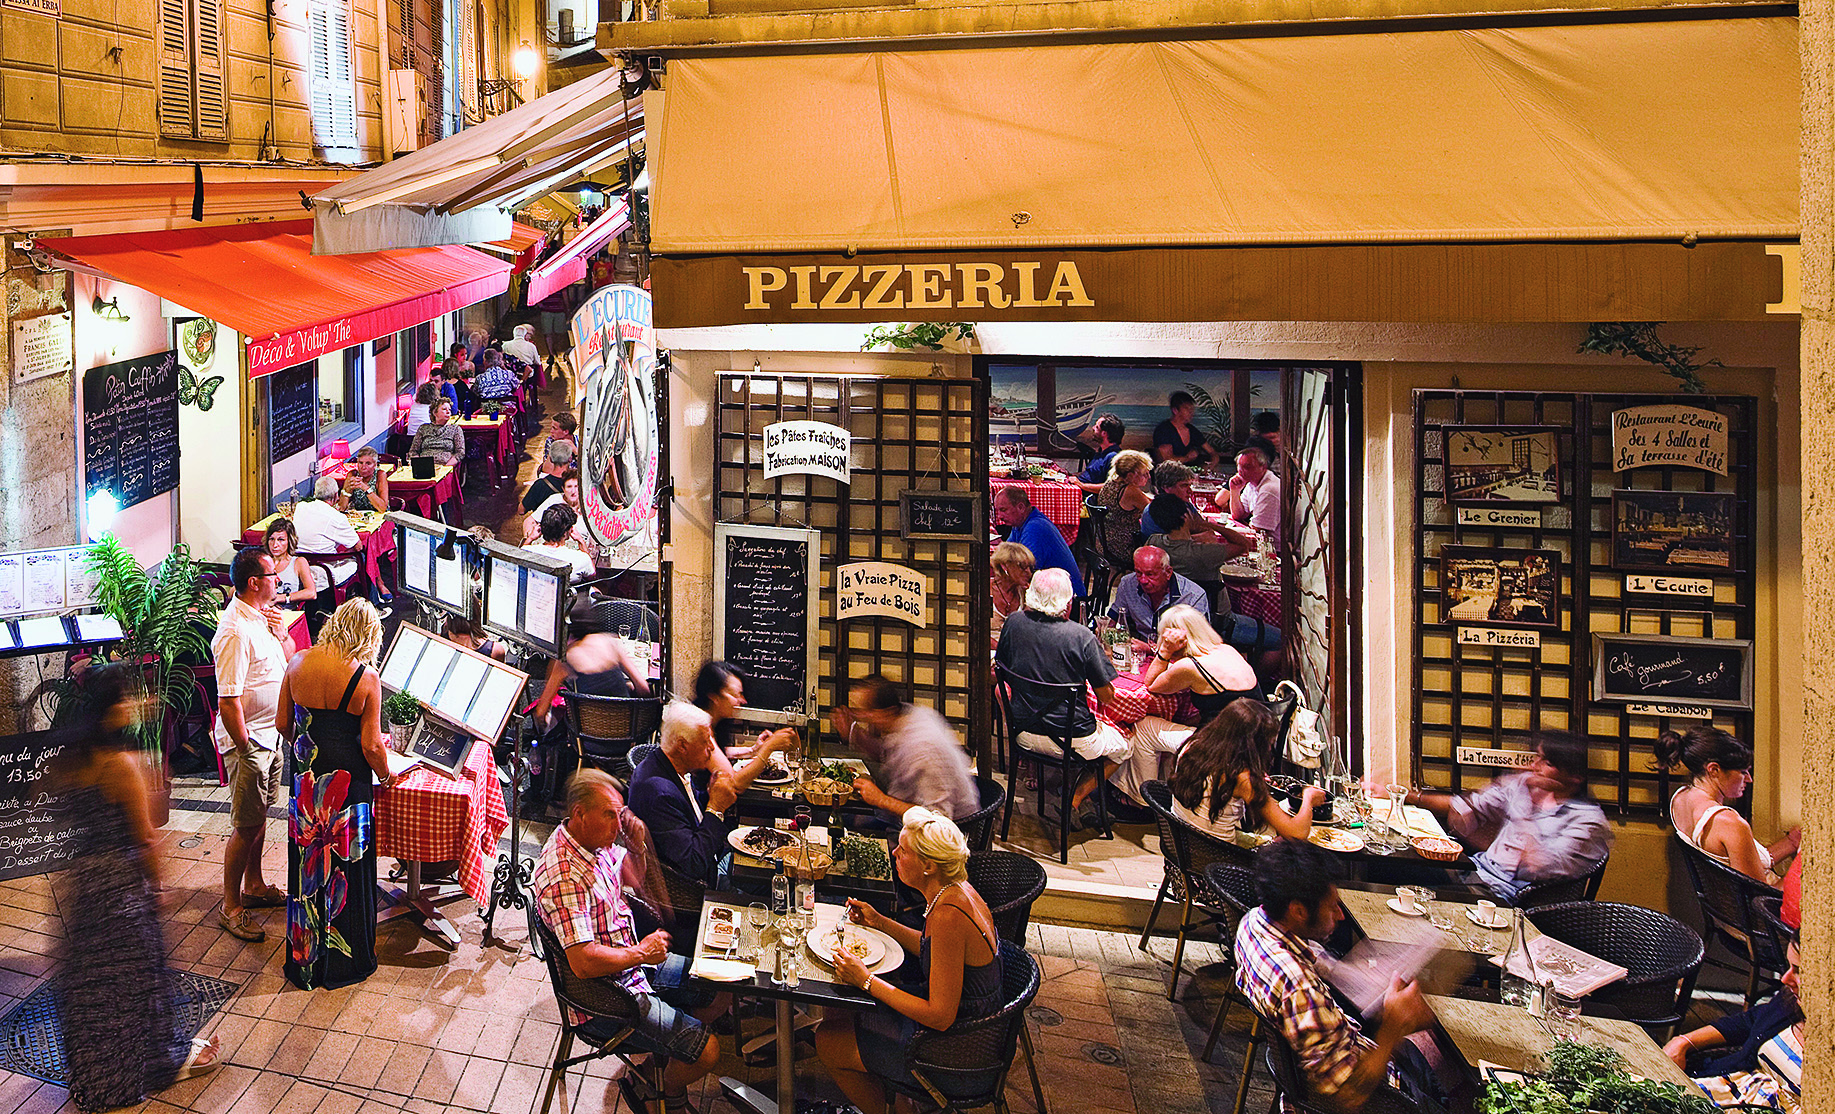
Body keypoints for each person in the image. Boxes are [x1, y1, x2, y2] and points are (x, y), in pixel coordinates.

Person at [52, 663, 222, 1108]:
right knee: (137, 981)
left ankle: (100, 1072)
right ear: (110, 710)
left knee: (95, 987)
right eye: (127, 699)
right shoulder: (122, 766)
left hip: (85, 890)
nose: (137, 706)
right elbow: (146, 838)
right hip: (121, 893)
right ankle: (157, 1062)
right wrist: (160, 887)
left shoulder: (73, 760)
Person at [531, 771, 723, 1113]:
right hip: (604, 999)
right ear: (579, 814)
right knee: (708, 1051)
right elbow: (584, 962)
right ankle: (662, 1096)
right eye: (609, 814)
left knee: (721, 983)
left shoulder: (592, 843)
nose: (617, 824)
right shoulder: (565, 875)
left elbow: (632, 875)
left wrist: (637, 846)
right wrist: (641, 953)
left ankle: (649, 1073)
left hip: (632, 967)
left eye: (619, 813)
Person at [816, 808, 1005, 1114]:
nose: (894, 852)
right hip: (967, 1024)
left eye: (903, 850)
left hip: (959, 1047)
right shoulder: (956, 890)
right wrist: (879, 922)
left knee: (827, 1041)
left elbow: (940, 1016)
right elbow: (934, 950)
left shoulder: (948, 916)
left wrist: (866, 980)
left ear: (928, 865)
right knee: (839, 1006)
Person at [1236, 839, 1438, 1112]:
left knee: (1427, 1056)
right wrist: (1394, 1025)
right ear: (1297, 910)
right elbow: (1348, 1095)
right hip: (1377, 1098)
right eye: (1332, 907)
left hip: (1341, 1047)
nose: (1340, 915)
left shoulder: (1252, 922)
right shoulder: (1301, 990)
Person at [276, 600, 400, 989]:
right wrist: (388, 773)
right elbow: (370, 745)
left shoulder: (297, 663)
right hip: (349, 788)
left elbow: (283, 724)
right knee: (347, 869)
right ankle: (348, 961)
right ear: (368, 636)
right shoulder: (365, 679)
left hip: (308, 785)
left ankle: (305, 959)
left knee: (306, 867)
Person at [1403, 733, 1613, 902]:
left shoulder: (1588, 821)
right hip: (1474, 871)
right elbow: (1467, 806)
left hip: (1504, 896)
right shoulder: (1525, 785)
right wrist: (1407, 796)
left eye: (1547, 762)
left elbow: (1538, 866)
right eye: (1537, 757)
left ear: (1574, 777)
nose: (1534, 766)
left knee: (1406, 896)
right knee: (1384, 868)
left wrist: (1525, 810)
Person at [993, 568, 1129, 818]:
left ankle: (1067, 789)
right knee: (1125, 746)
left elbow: (1003, 668)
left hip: (1022, 733)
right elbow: (1107, 697)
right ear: (1067, 604)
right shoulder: (1081, 636)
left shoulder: (1013, 623)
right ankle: (1074, 799)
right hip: (1073, 738)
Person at [212, 547, 291, 941]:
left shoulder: (260, 618)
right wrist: (244, 748)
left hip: (268, 734)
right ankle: (230, 906)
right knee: (245, 824)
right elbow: (228, 700)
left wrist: (281, 631)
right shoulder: (233, 631)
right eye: (272, 575)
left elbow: (286, 661)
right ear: (253, 582)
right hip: (251, 741)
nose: (278, 580)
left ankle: (255, 885)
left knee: (259, 817)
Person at [628, 702, 791, 885]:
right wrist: (716, 807)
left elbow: (688, 812)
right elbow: (694, 864)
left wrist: (709, 794)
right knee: (784, 881)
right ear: (682, 746)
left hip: (710, 858)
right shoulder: (659, 794)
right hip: (699, 888)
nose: (712, 749)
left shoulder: (665, 764)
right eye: (705, 741)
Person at [1668, 937, 1801, 1109]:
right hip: (1726, 1090)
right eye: (1789, 966)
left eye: (1799, 971)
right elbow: (1750, 1021)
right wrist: (1683, 1042)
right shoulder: (1791, 1001)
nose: (1785, 979)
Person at [1169, 699, 1325, 843]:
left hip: (1185, 844)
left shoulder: (1193, 745)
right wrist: (1308, 798)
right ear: (1252, 745)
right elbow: (1296, 834)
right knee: (1295, 844)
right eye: (1267, 743)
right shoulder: (1240, 777)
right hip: (1218, 858)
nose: (1269, 749)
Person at [1658, 726, 1800, 883]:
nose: (1748, 779)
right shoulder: (1729, 823)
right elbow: (1759, 896)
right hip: (1767, 903)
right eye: (1743, 772)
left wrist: (1791, 843)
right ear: (1714, 770)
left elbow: (1740, 860)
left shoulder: (1680, 799)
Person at [830, 674, 978, 821]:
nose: (860, 717)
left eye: (864, 712)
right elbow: (885, 752)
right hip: (905, 813)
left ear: (887, 712)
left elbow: (938, 819)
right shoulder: (904, 718)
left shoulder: (923, 748)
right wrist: (853, 734)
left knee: (837, 819)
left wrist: (881, 799)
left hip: (944, 832)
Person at [535, 600, 653, 732]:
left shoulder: (566, 658)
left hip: (587, 741)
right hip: (628, 736)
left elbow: (541, 712)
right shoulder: (611, 642)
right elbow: (643, 688)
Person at [691, 660, 800, 761]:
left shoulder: (714, 723)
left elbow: (720, 753)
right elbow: (732, 781)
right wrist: (768, 748)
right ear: (714, 696)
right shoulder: (700, 730)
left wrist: (754, 750)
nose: (743, 701)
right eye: (736, 694)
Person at [1108, 545, 1211, 647]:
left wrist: (1151, 649)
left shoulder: (1194, 596)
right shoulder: (1128, 584)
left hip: (1178, 658)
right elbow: (1113, 621)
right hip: (1139, 654)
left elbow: (1199, 644)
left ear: (1168, 572)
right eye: (1138, 573)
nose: (1143, 580)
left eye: (1150, 574)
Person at [993, 485, 1085, 598]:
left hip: (1066, 600)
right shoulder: (1019, 524)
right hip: (1052, 593)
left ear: (1021, 507)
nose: (1000, 516)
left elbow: (1024, 572)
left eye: (1003, 510)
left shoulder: (1035, 528)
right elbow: (1004, 554)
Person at [291, 476, 361, 592]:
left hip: (299, 565)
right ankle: (372, 603)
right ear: (336, 495)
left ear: (315, 493)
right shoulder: (337, 517)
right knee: (361, 557)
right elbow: (358, 546)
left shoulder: (300, 507)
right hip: (324, 570)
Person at [1138, 460, 1228, 542]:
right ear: (1166, 487)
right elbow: (1173, 545)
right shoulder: (1156, 511)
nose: (1190, 491)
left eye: (1190, 485)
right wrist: (1196, 537)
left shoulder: (1185, 505)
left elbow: (1208, 531)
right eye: (1184, 486)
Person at [1095, 448, 1153, 563]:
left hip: (1105, 542)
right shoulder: (1130, 491)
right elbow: (1153, 512)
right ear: (1131, 475)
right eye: (1144, 474)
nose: (1149, 477)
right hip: (1123, 547)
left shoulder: (1111, 483)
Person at [1225, 439, 1282, 540]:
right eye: (1239, 466)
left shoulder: (1269, 489)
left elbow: (1257, 528)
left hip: (1274, 548)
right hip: (1261, 540)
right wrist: (1235, 491)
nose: (1241, 471)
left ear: (1263, 467)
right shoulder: (1251, 483)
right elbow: (1238, 515)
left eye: (1247, 466)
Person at [526, 504, 596, 581]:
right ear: (566, 532)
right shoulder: (581, 558)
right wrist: (581, 541)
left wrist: (530, 538)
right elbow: (592, 576)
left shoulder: (529, 552)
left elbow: (520, 558)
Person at [260, 517, 316, 609]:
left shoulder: (298, 562)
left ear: (289, 541)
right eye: (271, 539)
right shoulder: (262, 561)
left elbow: (311, 592)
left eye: (281, 540)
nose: (275, 545)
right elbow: (236, 590)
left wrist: (281, 598)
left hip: (286, 613)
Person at [990, 541, 1035, 644]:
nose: (1028, 572)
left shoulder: (1026, 594)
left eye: (1030, 567)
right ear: (1004, 567)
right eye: (1022, 566)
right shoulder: (984, 590)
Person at [1153, 390, 1214, 465]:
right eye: (1187, 408)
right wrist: (1187, 458)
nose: (1191, 412)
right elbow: (1167, 461)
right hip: (1169, 475)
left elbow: (1212, 452)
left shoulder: (1192, 430)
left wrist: (1210, 465)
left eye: (1192, 409)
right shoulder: (1163, 430)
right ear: (1175, 410)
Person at [1074, 413, 1126, 492]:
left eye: (1097, 427)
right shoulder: (1101, 452)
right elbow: (1092, 475)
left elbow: (1110, 487)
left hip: (1086, 496)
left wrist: (1081, 485)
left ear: (1104, 433)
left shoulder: (1113, 457)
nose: (1093, 428)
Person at [409, 398, 465, 466]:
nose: (448, 412)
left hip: (446, 466)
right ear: (434, 412)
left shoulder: (455, 429)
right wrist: (419, 465)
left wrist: (447, 467)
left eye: (449, 410)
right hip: (425, 467)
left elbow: (460, 452)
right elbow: (413, 451)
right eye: (444, 409)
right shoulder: (423, 428)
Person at [522, 440, 575, 512]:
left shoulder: (540, 485)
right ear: (570, 459)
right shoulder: (577, 483)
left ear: (550, 459)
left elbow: (521, 510)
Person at [340, 446, 391, 513]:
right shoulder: (352, 474)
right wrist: (347, 491)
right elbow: (342, 508)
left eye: (368, 463)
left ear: (375, 465)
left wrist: (366, 488)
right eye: (361, 463)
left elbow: (382, 508)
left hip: (379, 517)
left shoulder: (380, 475)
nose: (363, 467)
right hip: (359, 518)